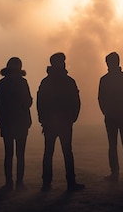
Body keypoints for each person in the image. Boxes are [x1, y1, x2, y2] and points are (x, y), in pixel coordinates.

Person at [36, 52, 85, 191]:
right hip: (64, 122)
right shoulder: (68, 81)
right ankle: (70, 182)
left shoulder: (46, 82)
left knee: (49, 152)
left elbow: (40, 103)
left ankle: (46, 183)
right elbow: (76, 101)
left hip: (51, 123)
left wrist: (43, 120)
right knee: (67, 152)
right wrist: (72, 118)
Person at [98, 52, 123, 181]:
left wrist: (106, 111)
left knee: (113, 145)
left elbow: (101, 99)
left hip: (111, 115)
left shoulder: (104, 80)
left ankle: (115, 172)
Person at [0, 57, 33, 192]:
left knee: (8, 154)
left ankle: (8, 183)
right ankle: (20, 183)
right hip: (21, 122)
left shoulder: (1, 84)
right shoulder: (23, 83)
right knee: (20, 154)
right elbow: (28, 102)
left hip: (6, 123)